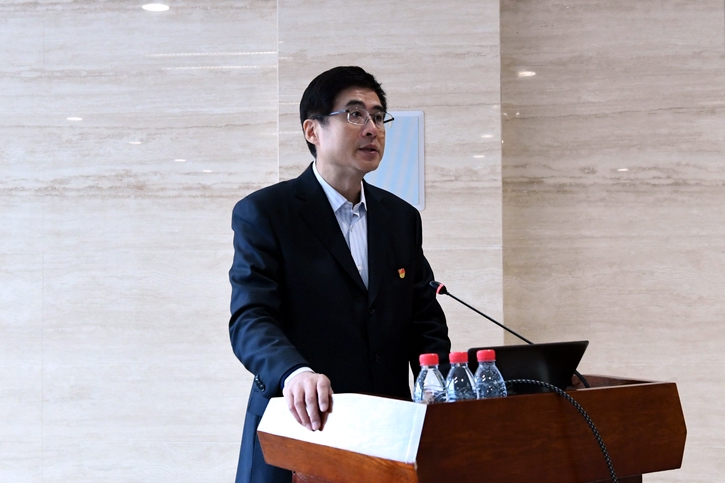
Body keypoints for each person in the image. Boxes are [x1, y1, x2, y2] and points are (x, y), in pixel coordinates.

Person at [228, 65, 450, 483]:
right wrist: (294, 372)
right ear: (312, 130)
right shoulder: (267, 213)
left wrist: (440, 382)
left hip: (386, 433)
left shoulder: (400, 218)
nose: (372, 128)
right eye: (354, 114)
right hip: (301, 428)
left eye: (378, 116)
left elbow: (424, 320)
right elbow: (251, 318)